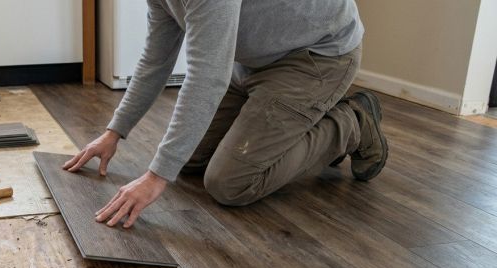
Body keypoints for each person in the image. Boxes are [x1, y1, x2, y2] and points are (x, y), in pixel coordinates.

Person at [62, 0, 388, 228]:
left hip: (317, 55)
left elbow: (207, 78)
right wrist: (114, 132)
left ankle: (353, 122)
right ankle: (277, 119)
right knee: (187, 160)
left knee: (230, 183)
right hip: (253, 60)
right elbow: (155, 61)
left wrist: (155, 178)